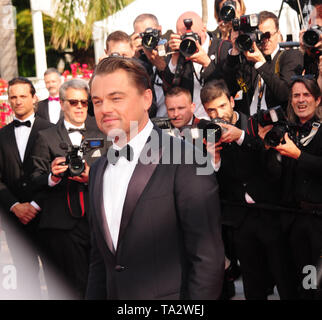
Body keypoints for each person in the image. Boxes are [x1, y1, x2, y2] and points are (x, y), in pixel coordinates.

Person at [86, 56, 225, 300]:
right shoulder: (98, 170)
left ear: (147, 99)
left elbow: (207, 260)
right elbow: (100, 260)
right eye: (97, 101)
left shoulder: (187, 160)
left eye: (116, 98)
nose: (104, 108)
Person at [201, 79, 298, 300]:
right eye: (211, 110)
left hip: (272, 216)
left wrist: (241, 137)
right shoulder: (208, 136)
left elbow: (273, 168)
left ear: (232, 102)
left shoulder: (256, 124)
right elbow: (210, 184)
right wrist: (213, 160)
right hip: (241, 221)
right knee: (253, 287)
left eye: (222, 106)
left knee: (285, 282)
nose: (219, 114)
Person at [31, 79, 108, 299]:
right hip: (61, 225)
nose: (80, 107)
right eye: (74, 102)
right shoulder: (45, 136)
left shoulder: (102, 131)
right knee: (68, 287)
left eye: (85, 102)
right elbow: (35, 178)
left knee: (100, 284)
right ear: (62, 104)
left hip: (98, 219)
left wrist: (90, 177)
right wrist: (52, 176)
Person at [263, 77, 322, 299]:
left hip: (318, 222)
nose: (301, 100)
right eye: (296, 95)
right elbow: (273, 176)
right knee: (300, 284)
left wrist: (299, 155)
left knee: (315, 285)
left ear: (317, 100)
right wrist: (269, 148)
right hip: (292, 220)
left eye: (306, 95)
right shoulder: (287, 132)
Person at [0, 77, 53, 298]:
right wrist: (14, 206)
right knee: (25, 276)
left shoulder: (51, 130)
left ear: (34, 98)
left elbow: (56, 172)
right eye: (13, 97)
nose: (18, 101)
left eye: (23, 96)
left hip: (48, 216)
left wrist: (34, 205)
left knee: (55, 275)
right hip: (15, 218)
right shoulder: (1, 135)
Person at [223, 11, 304, 116]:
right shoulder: (249, 59)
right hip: (250, 124)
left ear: (278, 33)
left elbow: (285, 94)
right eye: (260, 35)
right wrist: (235, 50)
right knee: (209, 131)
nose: (265, 40)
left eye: (267, 35)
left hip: (276, 124)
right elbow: (229, 89)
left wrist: (260, 64)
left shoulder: (290, 55)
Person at [163, 11, 231, 119]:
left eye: (192, 34)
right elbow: (169, 90)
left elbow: (230, 86)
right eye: (183, 36)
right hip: (189, 123)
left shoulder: (224, 48)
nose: (188, 39)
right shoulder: (177, 52)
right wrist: (174, 57)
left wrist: (207, 63)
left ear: (204, 29)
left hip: (218, 118)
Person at [132, 13, 168, 117]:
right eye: (143, 35)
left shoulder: (171, 52)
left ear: (160, 29)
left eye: (151, 33)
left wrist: (161, 65)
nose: (149, 39)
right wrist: (132, 55)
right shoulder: (136, 61)